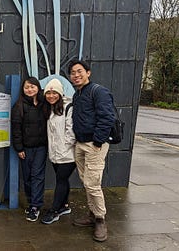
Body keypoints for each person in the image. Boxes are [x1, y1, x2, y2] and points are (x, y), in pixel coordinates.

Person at [68, 59, 115, 242]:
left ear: (88, 73)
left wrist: (97, 141)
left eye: (79, 71)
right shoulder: (77, 94)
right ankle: (91, 213)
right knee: (86, 181)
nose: (76, 75)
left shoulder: (98, 91)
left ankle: (100, 219)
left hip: (94, 145)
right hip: (80, 144)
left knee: (92, 183)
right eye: (72, 72)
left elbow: (107, 117)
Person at [11, 77, 48, 222]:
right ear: (23, 89)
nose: (30, 89)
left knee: (37, 176)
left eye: (33, 86)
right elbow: (16, 129)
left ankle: (35, 206)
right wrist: (19, 148)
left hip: (41, 147)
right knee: (27, 177)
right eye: (27, 87)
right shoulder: (19, 106)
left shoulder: (45, 103)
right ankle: (31, 201)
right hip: (26, 148)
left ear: (38, 87)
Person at [40, 78, 76, 225]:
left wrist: (63, 148)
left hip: (67, 154)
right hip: (55, 153)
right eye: (48, 93)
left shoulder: (69, 107)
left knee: (60, 180)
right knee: (63, 179)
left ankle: (54, 211)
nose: (51, 95)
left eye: (54, 92)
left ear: (60, 94)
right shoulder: (50, 108)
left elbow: (71, 132)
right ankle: (64, 206)